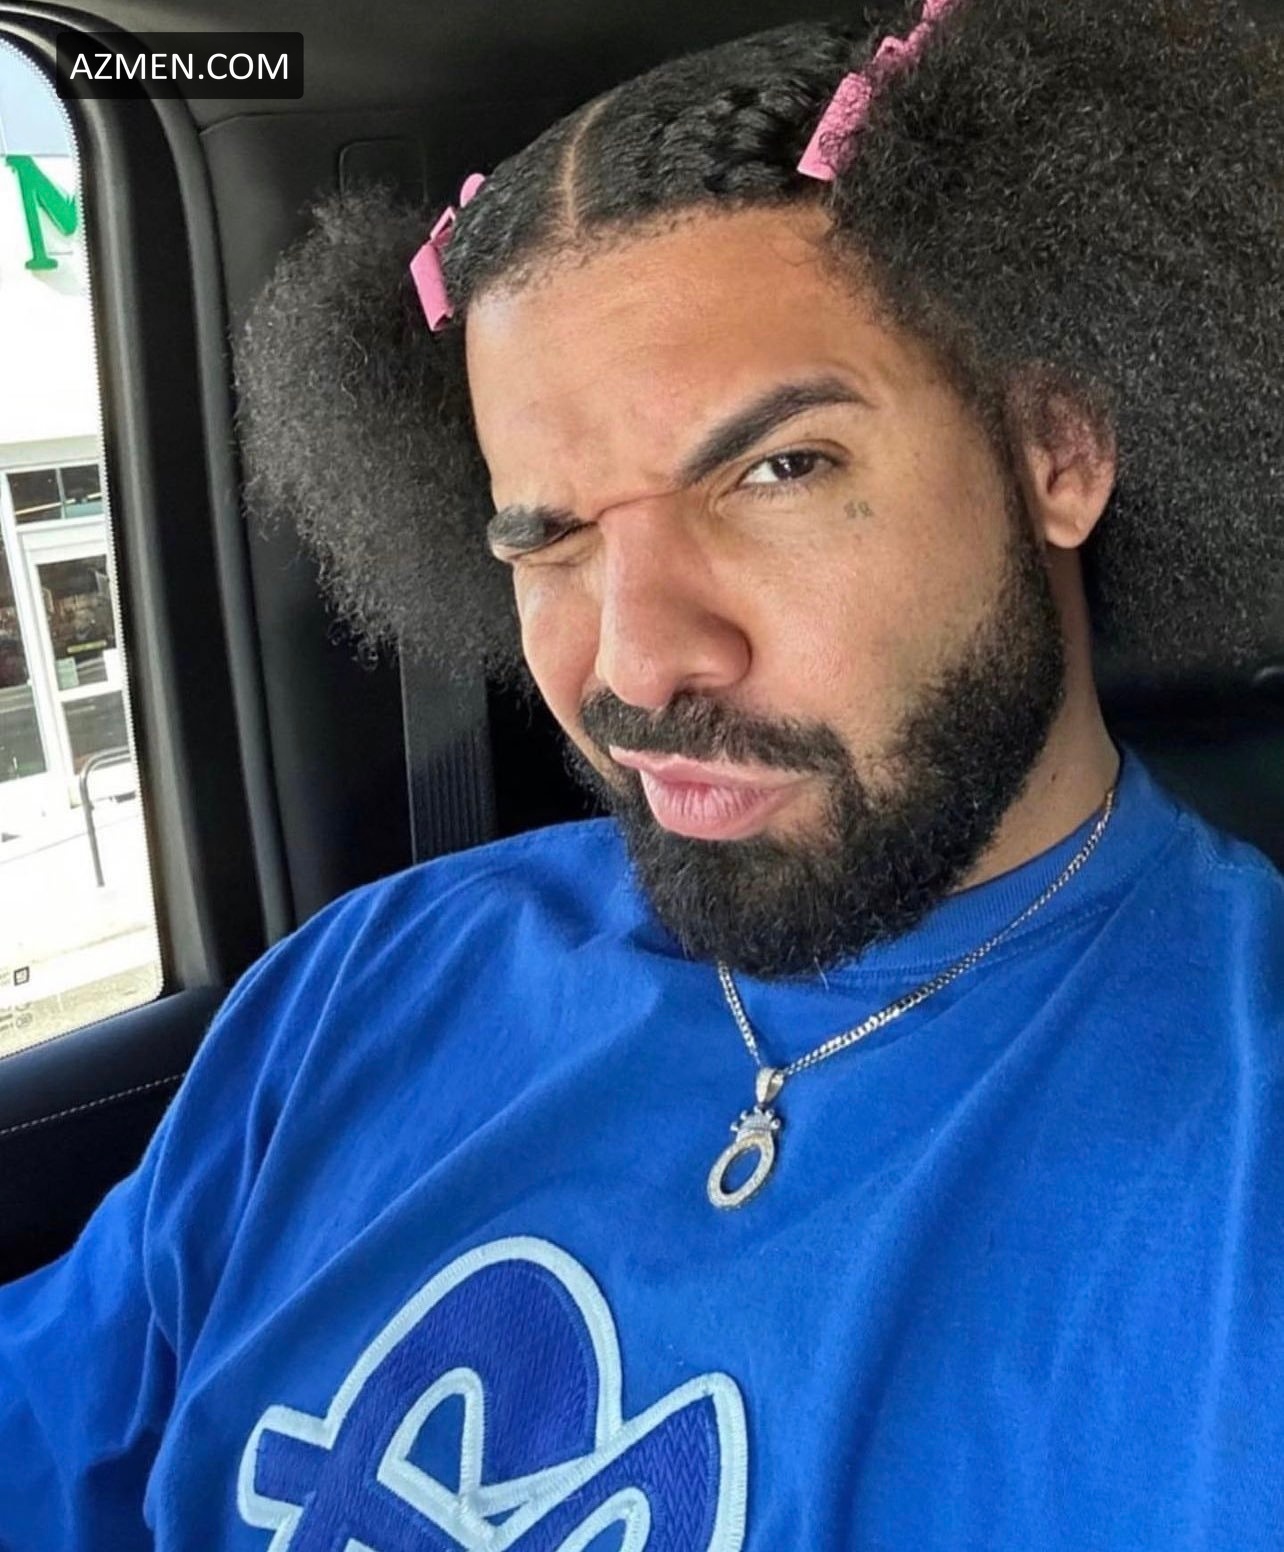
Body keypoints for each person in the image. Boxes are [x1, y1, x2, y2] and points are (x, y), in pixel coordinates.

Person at [2, 0, 1282, 1545]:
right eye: (547, 536)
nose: (636, 666)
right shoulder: (365, 983)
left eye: (778, 470)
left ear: (1058, 448)